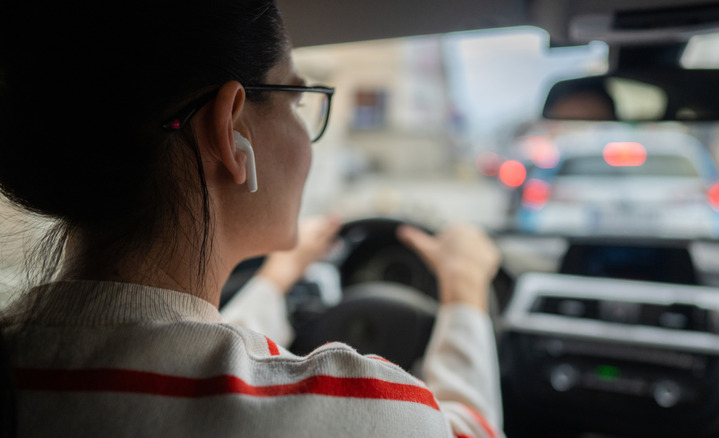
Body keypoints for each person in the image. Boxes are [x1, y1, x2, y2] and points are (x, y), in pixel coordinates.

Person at [0, 1, 504, 437]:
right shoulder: (363, 409)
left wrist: (276, 279)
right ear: (230, 129)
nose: (306, 132)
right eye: (299, 99)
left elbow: (180, 353)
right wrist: (464, 292)